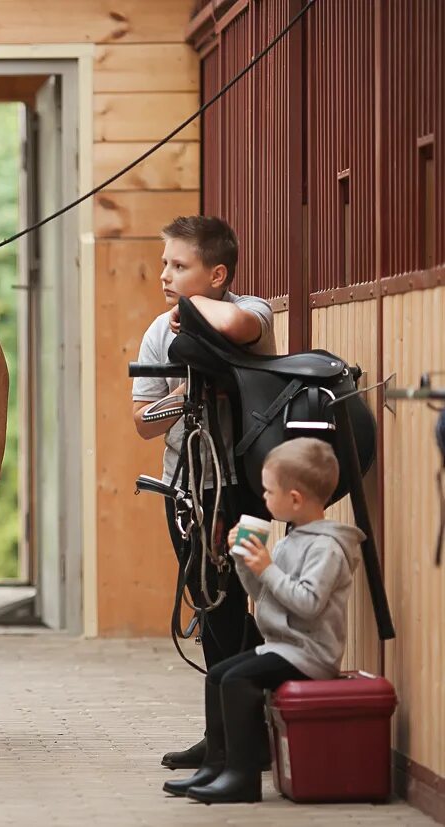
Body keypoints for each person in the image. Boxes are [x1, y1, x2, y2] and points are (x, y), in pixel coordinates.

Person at [131, 215, 277, 769]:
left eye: (179, 265)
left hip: (242, 488)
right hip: (186, 489)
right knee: (210, 608)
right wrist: (183, 398)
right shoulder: (156, 333)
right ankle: (224, 732)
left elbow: (236, 324)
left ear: (217, 274)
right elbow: (145, 421)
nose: (165, 274)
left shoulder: (254, 311)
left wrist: (186, 318)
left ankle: (244, 737)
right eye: (165, 263)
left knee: (242, 607)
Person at [164, 437, 363, 803]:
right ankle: (216, 764)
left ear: (296, 499)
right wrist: (244, 561)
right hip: (285, 648)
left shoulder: (326, 547)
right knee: (220, 675)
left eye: (270, 492)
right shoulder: (292, 540)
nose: (264, 499)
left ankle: (242, 776)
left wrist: (268, 567)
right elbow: (266, 596)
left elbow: (307, 603)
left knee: (238, 681)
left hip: (310, 655)